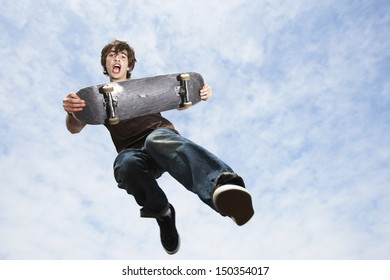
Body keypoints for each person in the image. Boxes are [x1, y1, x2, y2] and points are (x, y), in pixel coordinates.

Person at [63, 40, 254, 255]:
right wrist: (73, 111)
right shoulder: (98, 98)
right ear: (105, 63)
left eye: (123, 57)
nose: (117, 58)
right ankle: (162, 213)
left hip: (160, 137)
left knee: (156, 140)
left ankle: (220, 184)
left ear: (129, 66)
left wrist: (201, 90)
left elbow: (180, 96)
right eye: (112, 55)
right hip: (132, 152)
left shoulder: (146, 90)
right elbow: (74, 127)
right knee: (125, 165)